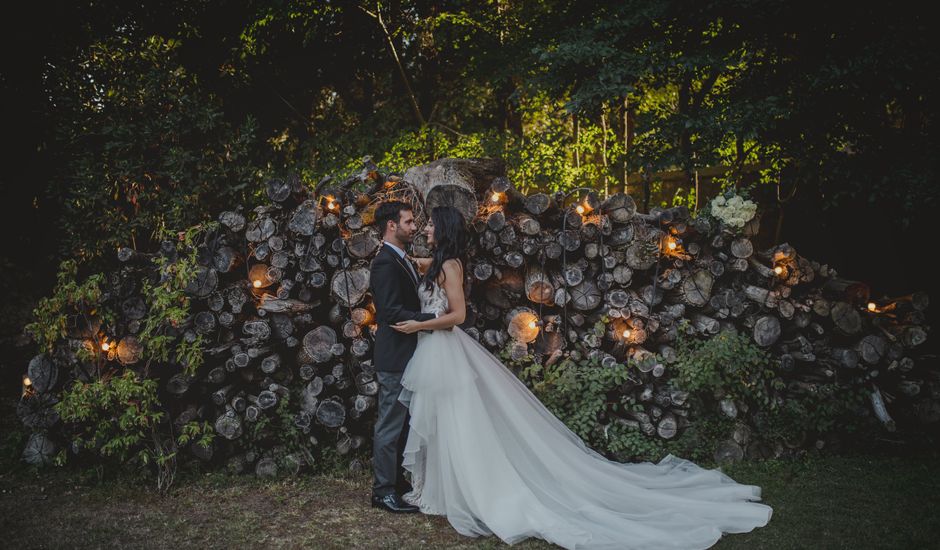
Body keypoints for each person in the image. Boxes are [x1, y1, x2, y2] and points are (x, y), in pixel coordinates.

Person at [390, 205, 773, 549]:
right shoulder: (438, 263)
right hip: (433, 349)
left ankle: (470, 491)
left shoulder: (451, 266)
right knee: (441, 419)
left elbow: (457, 316)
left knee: (458, 419)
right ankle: (441, 489)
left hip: (443, 346)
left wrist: (418, 325)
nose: (425, 231)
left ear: (443, 229)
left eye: (429, 227)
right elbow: (409, 264)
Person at [368, 200, 440, 514]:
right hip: (394, 357)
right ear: (392, 225)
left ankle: (397, 484)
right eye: (409, 222)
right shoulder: (384, 261)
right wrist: (434, 319)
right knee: (389, 426)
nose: (415, 227)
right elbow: (390, 313)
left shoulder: (402, 259)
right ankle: (382, 491)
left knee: (404, 424)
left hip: (409, 356)